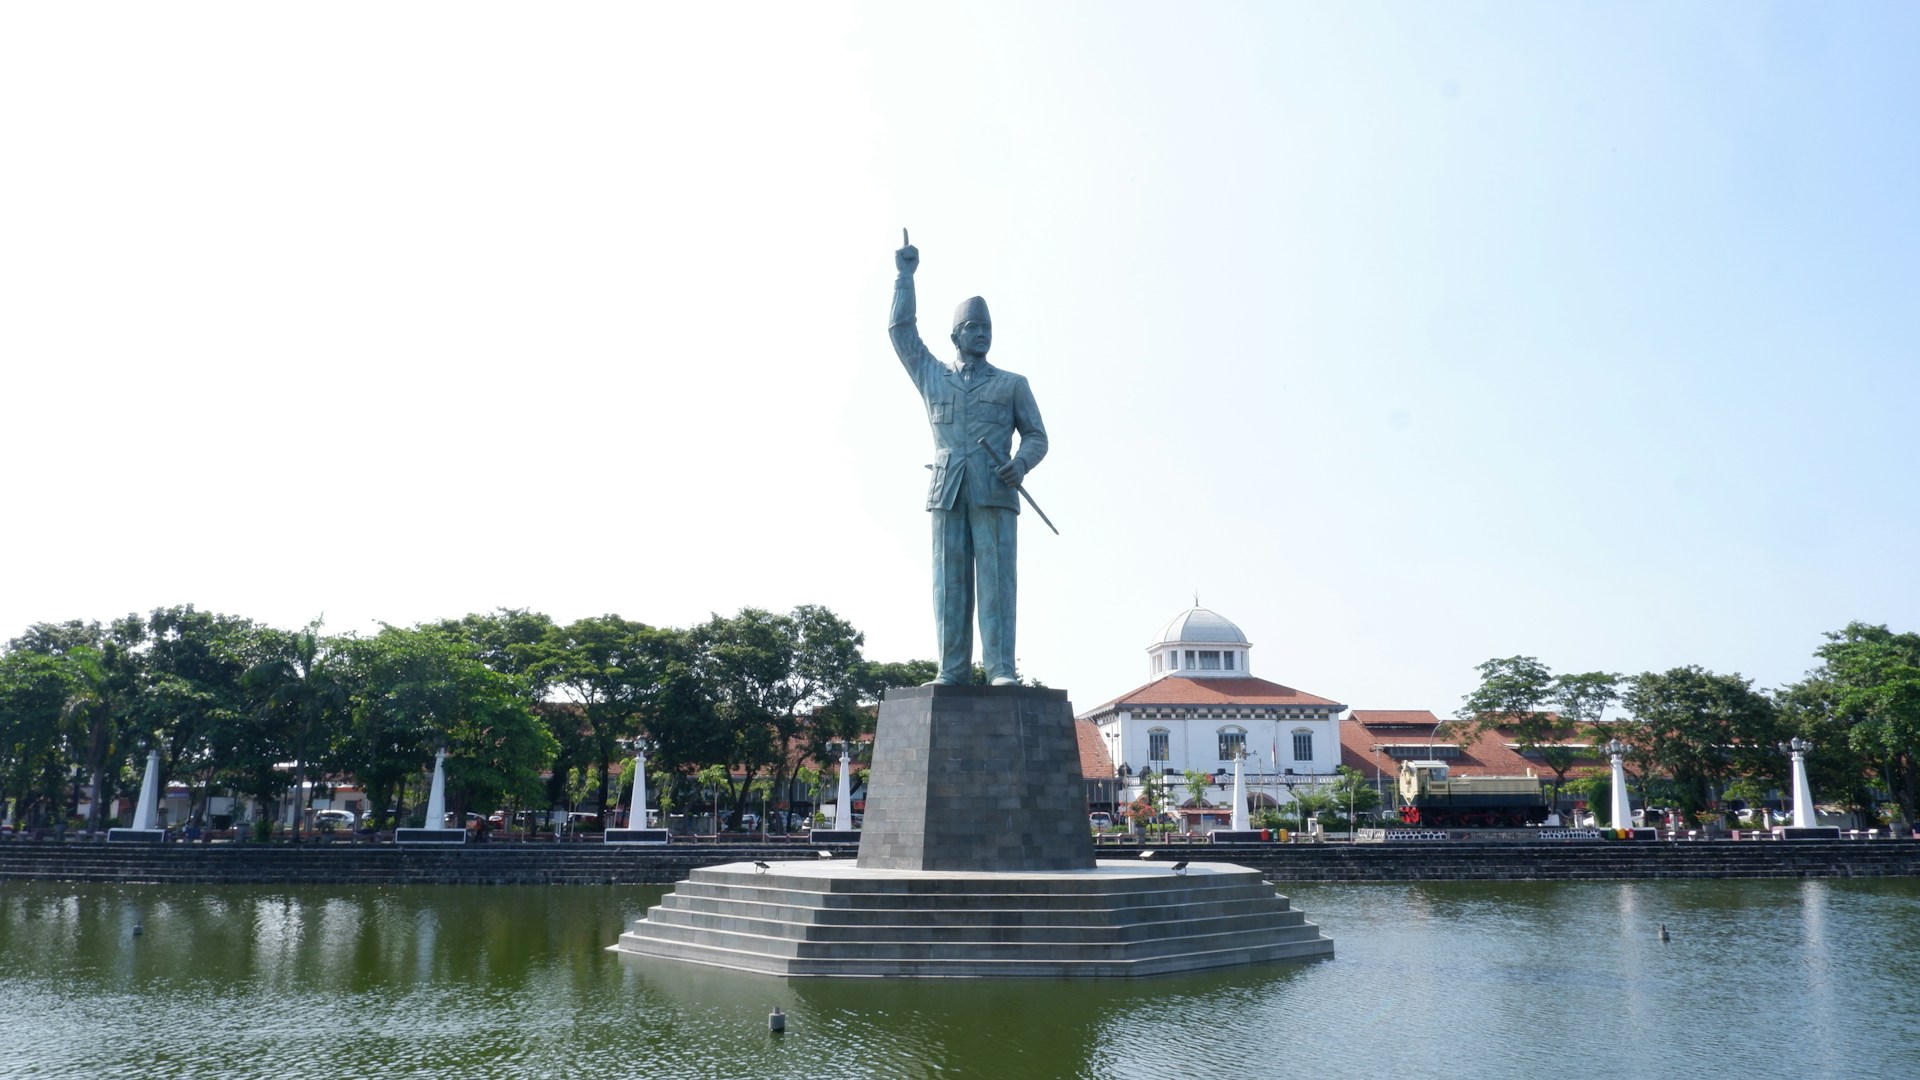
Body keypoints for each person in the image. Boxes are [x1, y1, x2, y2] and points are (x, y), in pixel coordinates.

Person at [889, 233, 1049, 686]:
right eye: (974, 329)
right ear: (956, 335)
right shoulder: (932, 376)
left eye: (987, 329)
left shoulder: (1012, 383)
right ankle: (952, 669)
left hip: (996, 491)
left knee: (998, 585)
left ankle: (1000, 669)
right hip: (947, 491)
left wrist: (1020, 464)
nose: (982, 335)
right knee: (948, 585)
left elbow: (1037, 436)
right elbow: (902, 335)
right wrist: (904, 277)